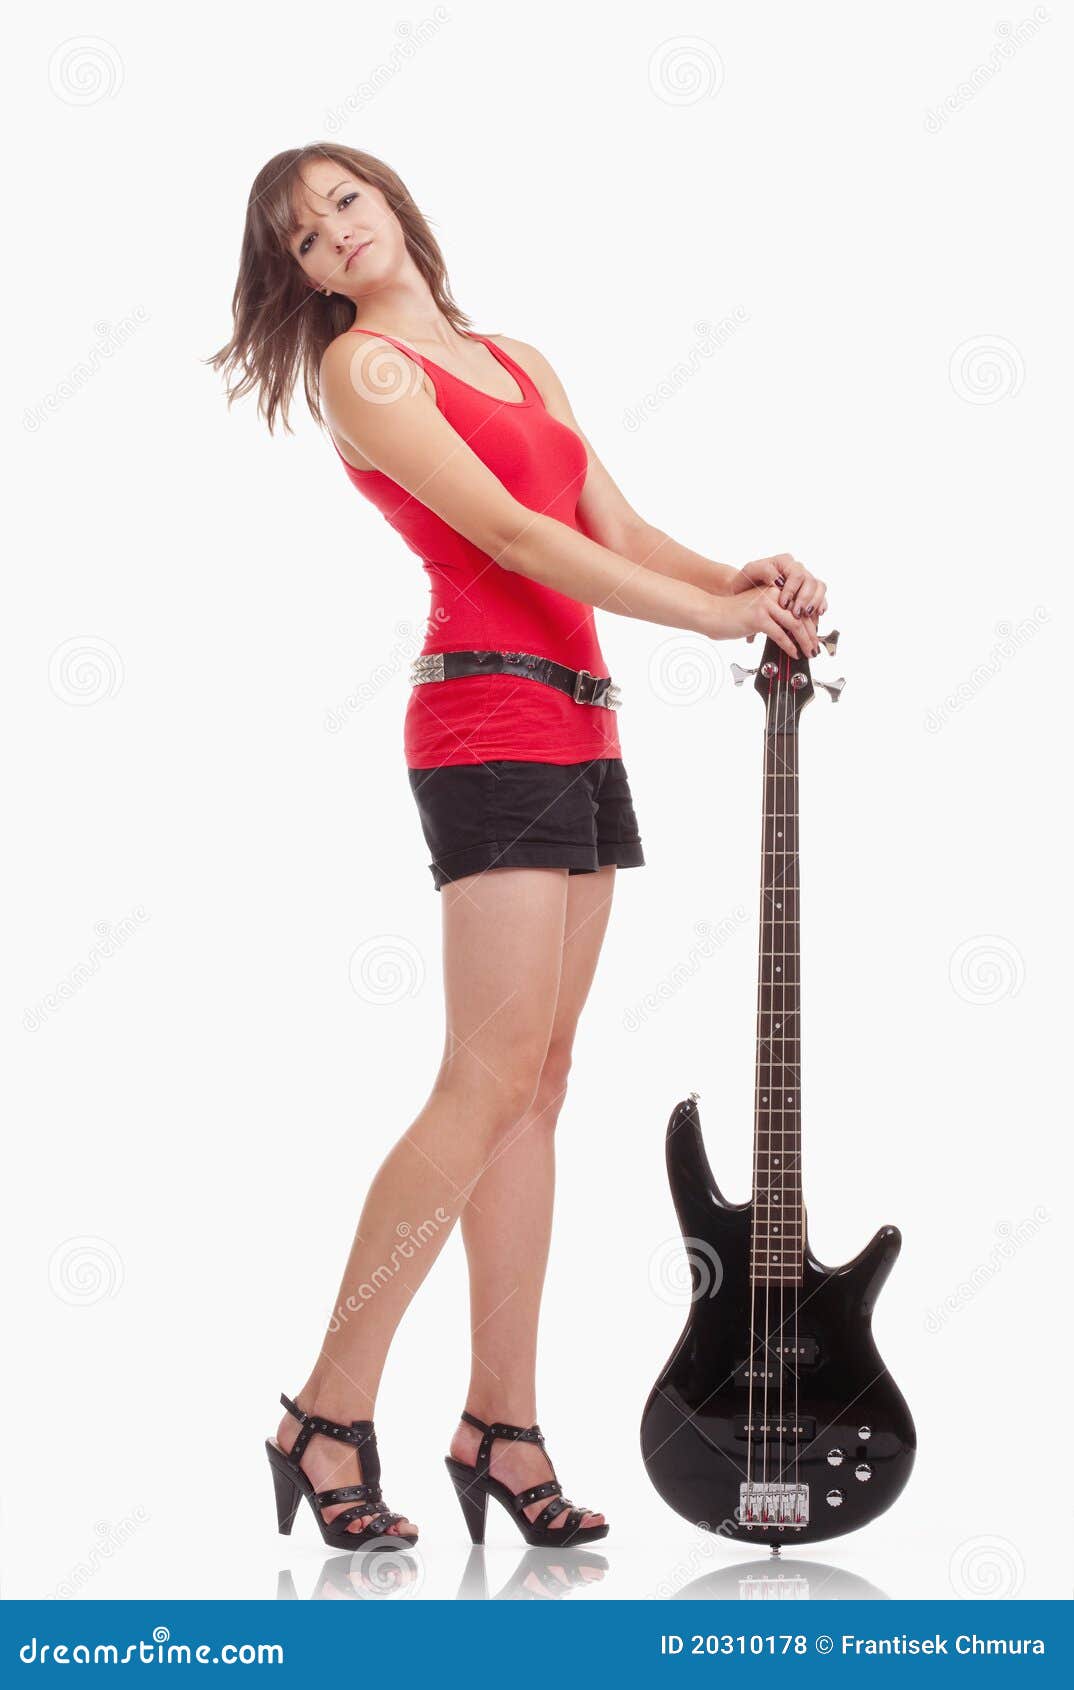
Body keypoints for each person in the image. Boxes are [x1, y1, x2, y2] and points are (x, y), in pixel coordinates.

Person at [208, 143, 827, 1552]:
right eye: (303, 237)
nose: (336, 234)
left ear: (391, 200)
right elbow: (508, 538)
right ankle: (324, 1411)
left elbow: (612, 528)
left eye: (346, 200)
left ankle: (501, 1422)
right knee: (481, 1082)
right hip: (485, 722)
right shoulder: (365, 370)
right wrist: (714, 624)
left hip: (581, 724)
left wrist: (739, 576)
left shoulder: (515, 360)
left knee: (538, 1088)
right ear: (300, 277)